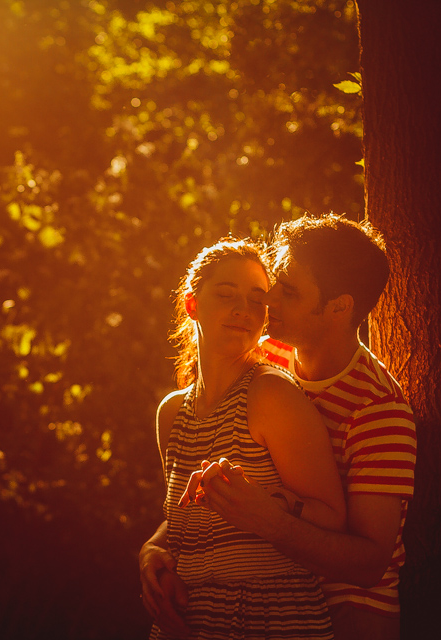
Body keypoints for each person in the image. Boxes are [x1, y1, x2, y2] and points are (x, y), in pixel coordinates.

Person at [179, 215, 416, 640]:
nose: (267, 299)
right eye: (276, 282)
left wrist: (269, 520)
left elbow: (369, 564)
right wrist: (156, 547)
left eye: (288, 292)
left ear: (339, 307)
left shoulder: (379, 410)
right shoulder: (266, 358)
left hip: (351, 618)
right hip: (265, 611)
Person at [140, 237, 346, 640]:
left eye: (256, 300)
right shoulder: (171, 414)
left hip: (272, 622)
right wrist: (151, 550)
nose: (243, 310)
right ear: (191, 304)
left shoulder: (271, 395)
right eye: (226, 294)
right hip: (186, 625)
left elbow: (333, 517)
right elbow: (187, 518)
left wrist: (267, 503)